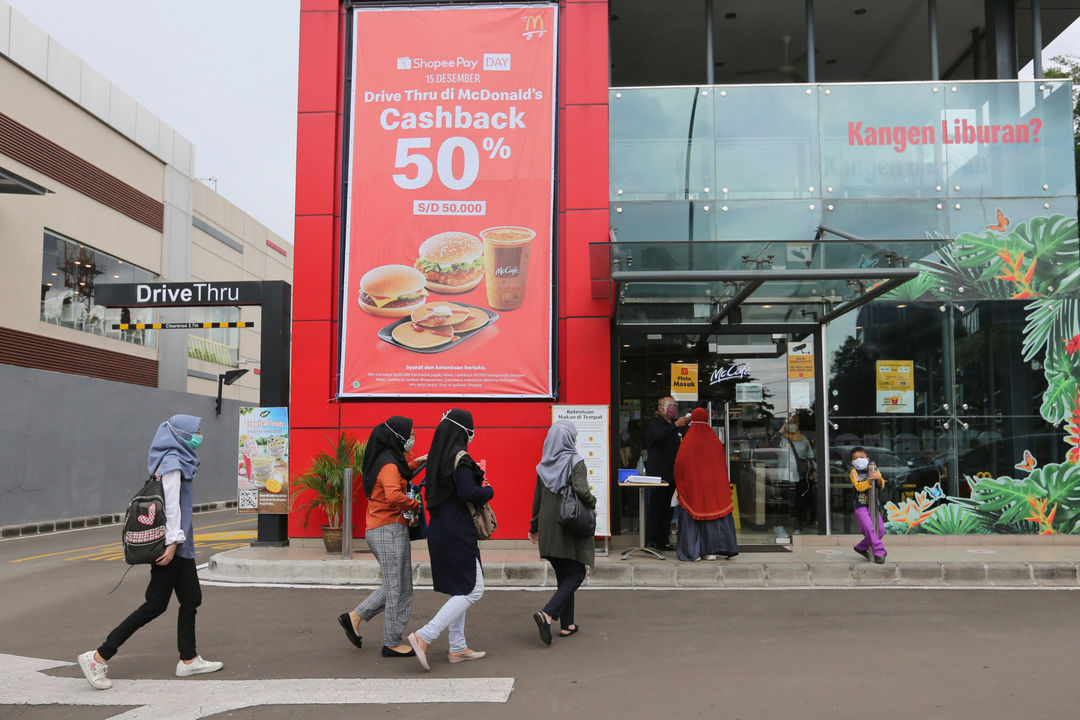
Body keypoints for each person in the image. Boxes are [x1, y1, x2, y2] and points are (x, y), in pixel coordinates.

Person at [78, 414, 223, 690]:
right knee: (154, 605)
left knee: (191, 598)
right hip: (173, 547)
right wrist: (171, 544)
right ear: (181, 434)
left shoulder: (178, 459)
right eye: (196, 431)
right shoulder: (172, 462)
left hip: (182, 547)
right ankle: (98, 657)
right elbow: (170, 507)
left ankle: (189, 660)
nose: (200, 435)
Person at [406, 409, 492, 670]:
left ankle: (457, 647)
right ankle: (425, 635)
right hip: (457, 532)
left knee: (460, 588)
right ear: (463, 432)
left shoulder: (435, 461)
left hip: (441, 530)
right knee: (474, 589)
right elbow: (468, 492)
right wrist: (488, 487)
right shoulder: (460, 459)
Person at [338, 416, 426, 657]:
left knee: (401, 586)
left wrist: (419, 461)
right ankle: (391, 642)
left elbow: (403, 472)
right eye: (410, 435)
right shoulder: (389, 464)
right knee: (397, 587)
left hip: (388, 528)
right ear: (398, 437)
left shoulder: (388, 459)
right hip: (387, 529)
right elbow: (393, 495)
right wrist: (415, 505)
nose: (412, 439)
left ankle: (354, 617)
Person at [529, 420, 596, 645]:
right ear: (569, 439)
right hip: (568, 524)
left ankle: (567, 624)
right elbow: (582, 490)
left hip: (548, 526)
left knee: (563, 574)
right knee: (577, 573)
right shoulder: (575, 461)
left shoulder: (543, 465)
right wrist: (593, 502)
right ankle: (547, 614)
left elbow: (537, 500)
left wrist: (534, 527)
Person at [673, 408, 739, 562]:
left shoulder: (688, 441)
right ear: (707, 419)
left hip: (694, 485)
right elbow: (722, 466)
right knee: (713, 516)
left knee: (693, 517)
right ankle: (712, 551)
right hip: (714, 486)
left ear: (692, 420)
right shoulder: (715, 441)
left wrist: (681, 483)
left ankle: (693, 552)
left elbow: (679, 465)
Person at [642, 396, 689, 550]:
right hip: (658, 474)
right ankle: (650, 540)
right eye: (670, 405)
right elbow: (658, 436)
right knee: (655, 507)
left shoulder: (676, 427)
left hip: (673, 473)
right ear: (661, 408)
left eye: (675, 405)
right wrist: (675, 425)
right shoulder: (656, 424)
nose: (673, 408)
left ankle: (663, 540)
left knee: (668, 509)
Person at [849, 446, 887, 563]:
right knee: (869, 529)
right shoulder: (854, 472)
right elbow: (859, 487)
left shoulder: (873, 469)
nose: (859, 460)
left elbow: (881, 485)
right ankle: (879, 552)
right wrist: (869, 481)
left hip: (874, 505)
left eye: (861, 457)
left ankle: (861, 547)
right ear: (852, 462)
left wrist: (878, 478)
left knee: (880, 530)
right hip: (861, 506)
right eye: (856, 458)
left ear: (867, 458)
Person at [779, 415, 816, 531]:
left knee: (801, 499)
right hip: (787, 473)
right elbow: (781, 456)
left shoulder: (803, 439)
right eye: (790, 422)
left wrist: (813, 471)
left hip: (802, 474)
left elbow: (810, 456)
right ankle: (786, 522)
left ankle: (801, 522)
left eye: (795, 422)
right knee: (787, 499)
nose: (793, 424)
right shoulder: (783, 438)